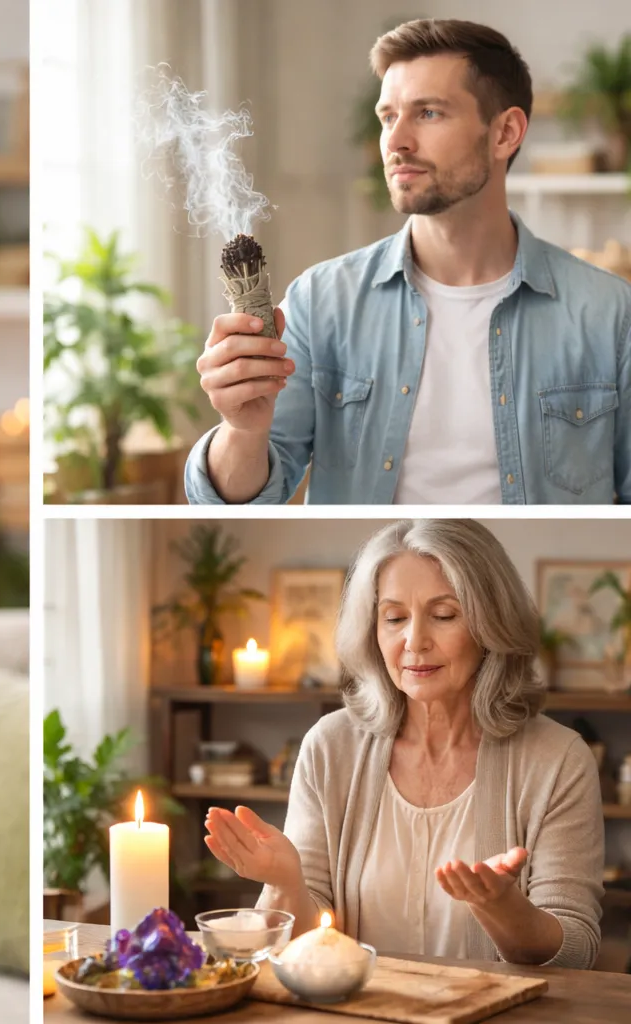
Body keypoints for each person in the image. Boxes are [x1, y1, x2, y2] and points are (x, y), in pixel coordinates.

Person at [185, 18, 631, 505]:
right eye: (388, 116)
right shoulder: (320, 302)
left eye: (429, 113)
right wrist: (242, 430)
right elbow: (242, 503)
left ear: (505, 132)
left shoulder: (610, 315)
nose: (396, 142)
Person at [204, 519, 603, 967]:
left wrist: (501, 907)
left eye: (444, 615)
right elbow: (298, 948)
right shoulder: (330, 746)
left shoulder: (559, 759)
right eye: (394, 618)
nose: (415, 641)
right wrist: (285, 882)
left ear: (491, 625)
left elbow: (576, 953)